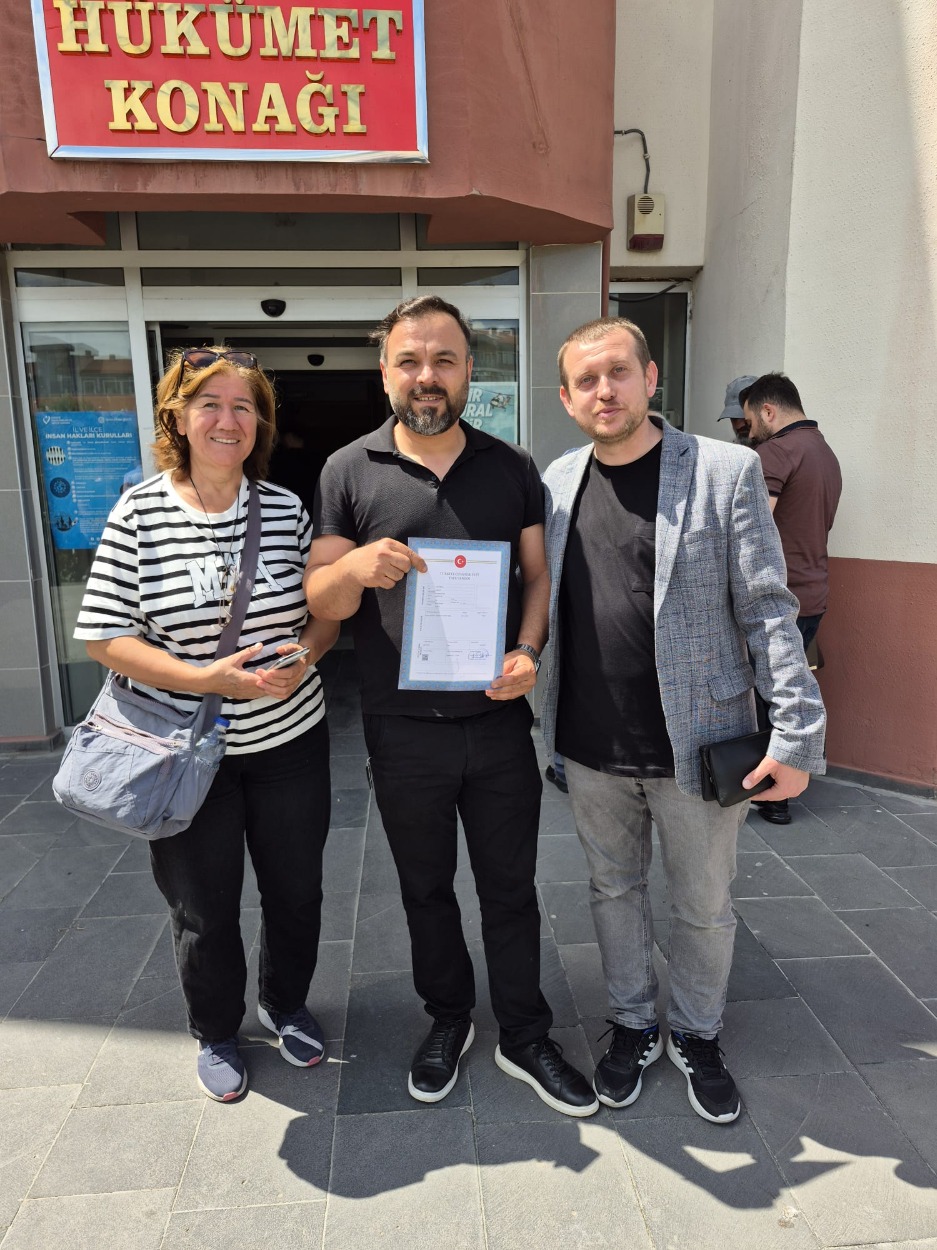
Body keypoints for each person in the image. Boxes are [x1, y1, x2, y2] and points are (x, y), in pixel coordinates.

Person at [304, 295, 597, 1117]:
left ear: (470, 370)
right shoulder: (347, 469)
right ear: (384, 372)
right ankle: (447, 1018)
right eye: (409, 360)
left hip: (498, 723)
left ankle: (525, 1034)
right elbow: (320, 598)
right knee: (424, 889)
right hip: (402, 732)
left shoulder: (511, 467)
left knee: (510, 889)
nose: (425, 376)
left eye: (443, 360)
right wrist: (353, 568)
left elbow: (536, 577)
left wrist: (528, 651)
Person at [541, 317, 827, 1124]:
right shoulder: (557, 480)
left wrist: (795, 735)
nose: (604, 390)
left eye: (617, 372)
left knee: (702, 904)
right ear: (565, 398)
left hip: (699, 744)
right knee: (612, 890)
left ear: (649, 377)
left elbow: (768, 608)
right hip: (589, 746)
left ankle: (697, 1033)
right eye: (586, 380)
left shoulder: (723, 471)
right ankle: (632, 1022)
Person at [75, 346, 338, 1103]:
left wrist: (307, 658)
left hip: (289, 742)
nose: (228, 420)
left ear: (260, 423)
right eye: (210, 405)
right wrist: (205, 680)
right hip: (183, 753)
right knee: (203, 907)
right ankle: (216, 1029)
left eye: (243, 407)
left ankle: (284, 1003)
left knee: (297, 892)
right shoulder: (139, 512)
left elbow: (323, 612)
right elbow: (104, 637)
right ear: (178, 418)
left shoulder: (285, 509)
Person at [740, 373, 842, 826]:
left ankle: (769, 794)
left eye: (750, 423)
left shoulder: (775, 452)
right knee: (789, 688)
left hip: (777, 599)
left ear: (768, 410)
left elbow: (751, 534)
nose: (749, 433)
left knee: (765, 697)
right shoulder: (824, 452)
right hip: (814, 593)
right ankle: (781, 787)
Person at [716, 375, 758, 445]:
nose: (741, 424)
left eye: (745, 416)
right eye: (734, 418)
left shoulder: (775, 447)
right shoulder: (728, 449)